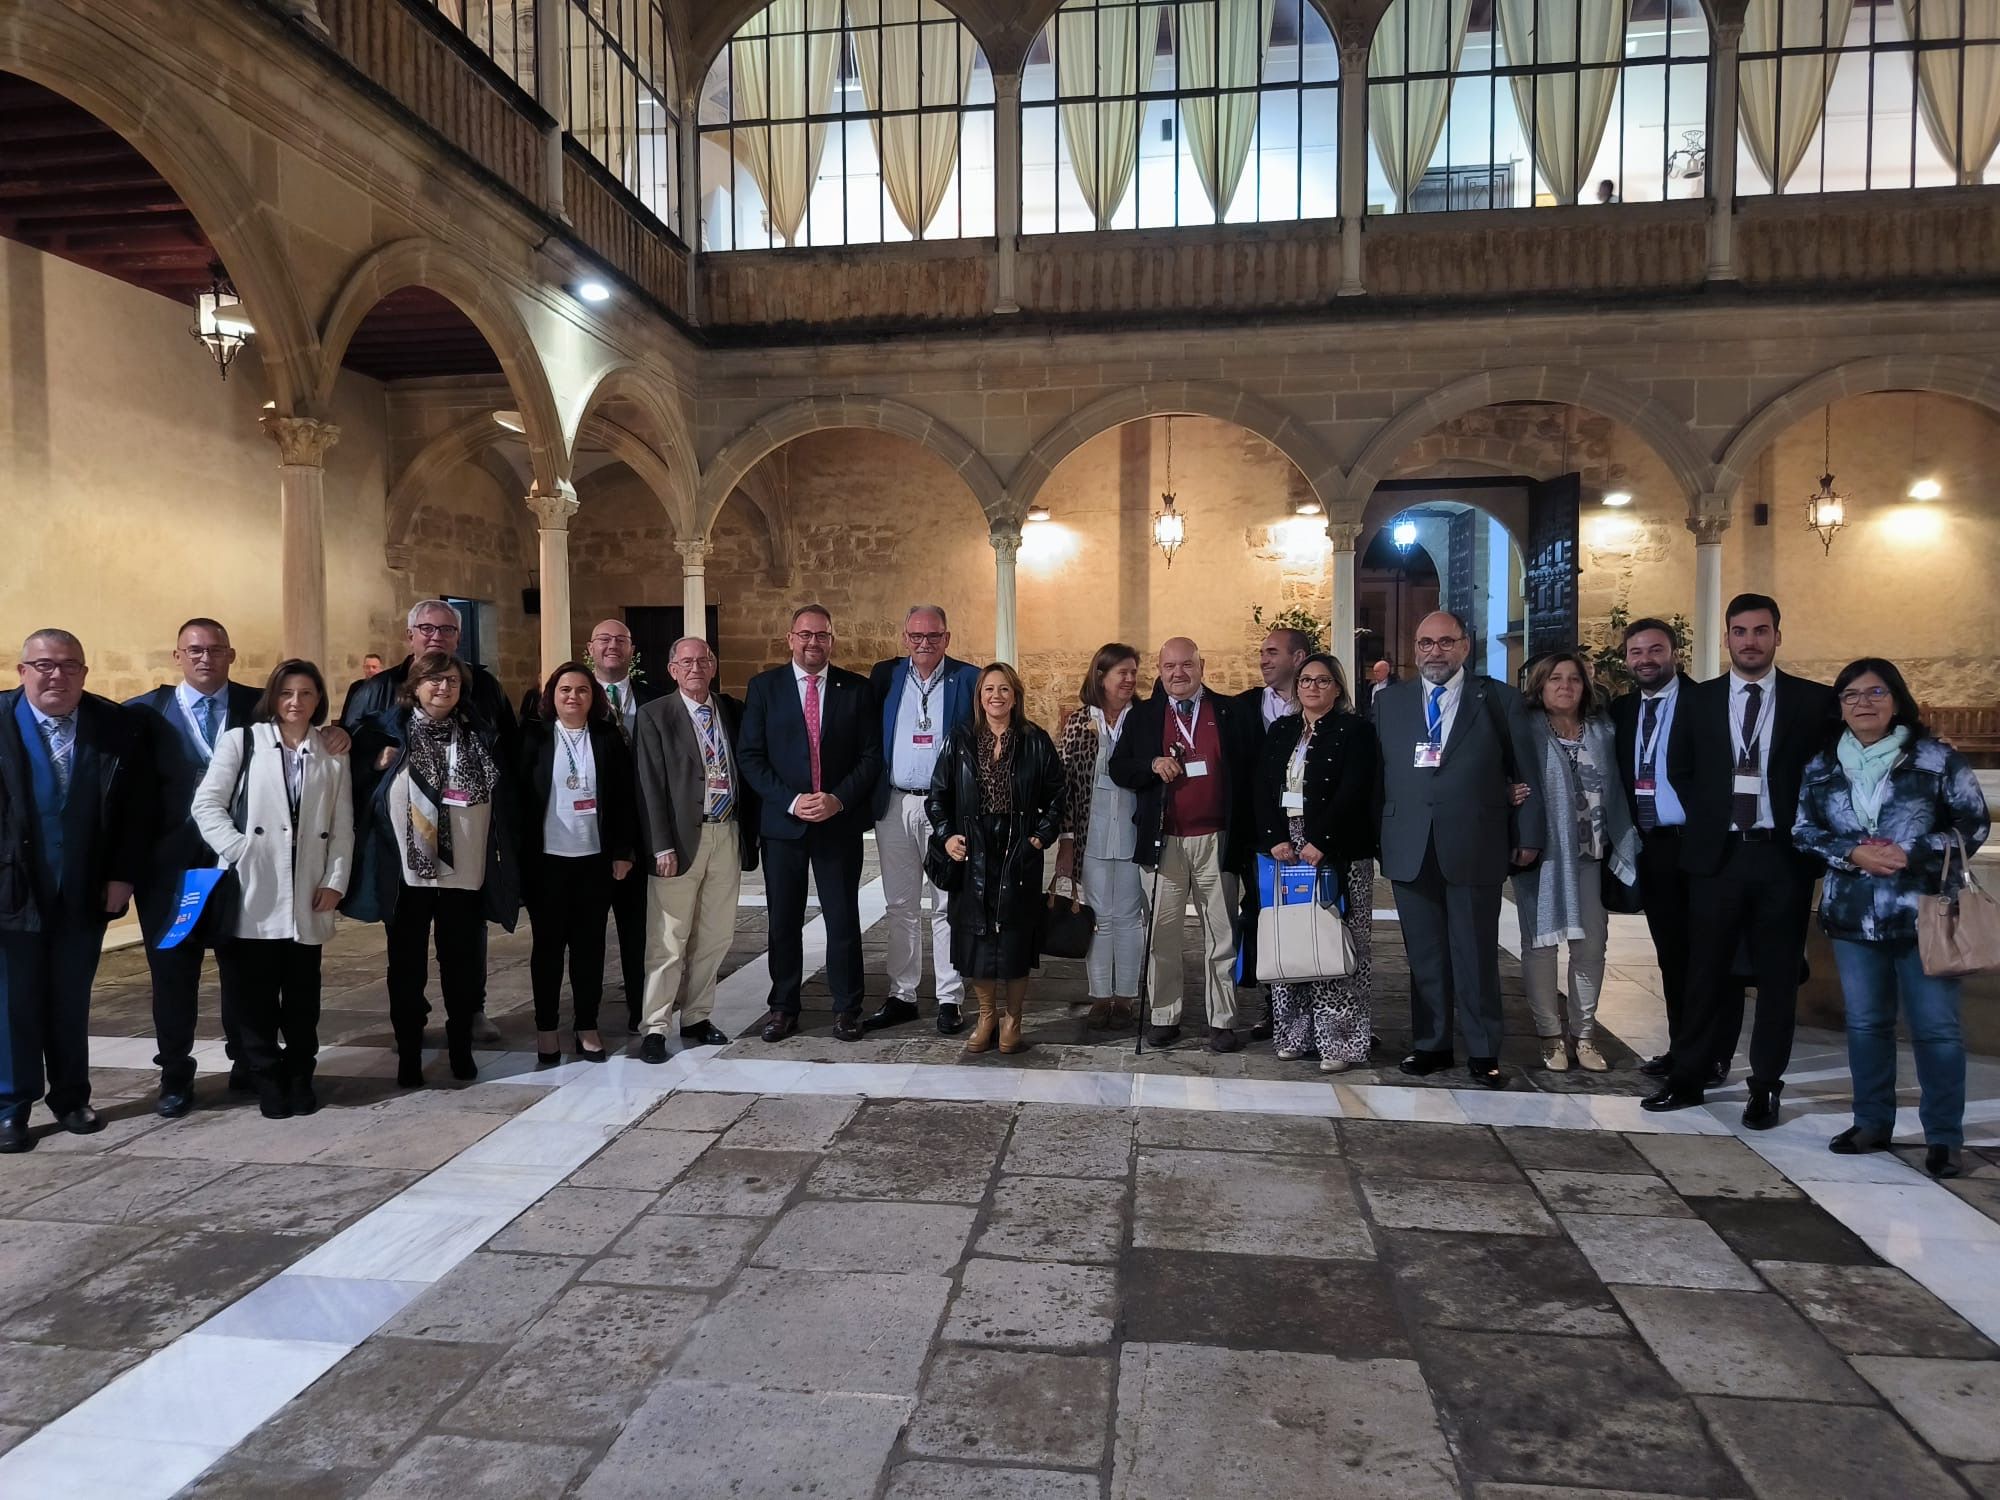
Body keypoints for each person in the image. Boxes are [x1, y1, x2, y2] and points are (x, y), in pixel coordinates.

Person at [1643, 593, 1836, 1128]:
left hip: (1781, 857)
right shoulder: (1698, 701)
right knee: (1705, 973)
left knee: (1776, 979)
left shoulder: (1810, 702)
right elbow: (1679, 769)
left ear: (1778, 636)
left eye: (1761, 631)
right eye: (1740, 631)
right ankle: (1688, 1077)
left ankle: (1765, 1086)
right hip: (1718, 857)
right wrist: (1712, 818)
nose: (1750, 641)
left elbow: (1823, 776)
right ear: (1726, 638)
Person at [1792, 659, 1988, 1179]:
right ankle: (1872, 1121)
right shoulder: (1822, 766)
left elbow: (1973, 823)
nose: (1863, 702)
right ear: (1840, 706)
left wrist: (1913, 851)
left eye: (1875, 692)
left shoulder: (1935, 758)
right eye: (1851, 694)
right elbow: (1803, 830)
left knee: (1937, 1030)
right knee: (1866, 1025)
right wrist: (1852, 853)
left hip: (1925, 912)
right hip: (1855, 915)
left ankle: (1944, 1136)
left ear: (1896, 699)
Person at [1374, 610, 1544, 1088]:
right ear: (1414, 649)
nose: (1435, 652)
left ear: (1465, 647)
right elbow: (1379, 775)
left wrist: (1528, 834)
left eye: (1446, 642)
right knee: (1424, 955)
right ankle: (1431, 1044)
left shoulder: (1498, 700)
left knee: (1473, 953)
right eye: (1426, 643)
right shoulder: (1391, 703)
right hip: (1410, 843)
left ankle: (1484, 1050)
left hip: (1474, 841)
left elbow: (1524, 771)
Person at [342, 600, 518, 1048]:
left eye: (446, 629)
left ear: (458, 637)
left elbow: (507, 747)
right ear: (410, 635)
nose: (436, 636)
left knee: (466, 934)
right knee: (405, 941)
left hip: (464, 842)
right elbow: (349, 752)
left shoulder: (482, 685)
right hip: (403, 847)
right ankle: (411, 1019)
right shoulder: (376, 689)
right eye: (426, 628)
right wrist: (376, 763)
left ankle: (471, 1010)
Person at [0, 629, 149, 1151]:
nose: (55, 675)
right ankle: (11, 1106)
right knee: (12, 1001)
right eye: (43, 665)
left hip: (84, 888)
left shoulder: (115, 725)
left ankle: (71, 1097)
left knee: (70, 1000)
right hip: (12, 888)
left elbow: (134, 811)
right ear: (22, 671)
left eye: (68, 666)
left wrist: (122, 874)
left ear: (84, 672)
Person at [190, 660, 353, 1119]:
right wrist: (239, 849)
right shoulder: (244, 741)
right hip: (254, 886)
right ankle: (266, 1077)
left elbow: (343, 825)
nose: (295, 702)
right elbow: (206, 804)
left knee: (303, 998)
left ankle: (301, 1073)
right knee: (255, 996)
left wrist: (335, 881)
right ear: (273, 698)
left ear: (318, 698)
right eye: (286, 693)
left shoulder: (332, 750)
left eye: (305, 693)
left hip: (308, 890)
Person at [125, 620, 263, 1115]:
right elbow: (124, 796)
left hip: (240, 861)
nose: (205, 658)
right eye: (195, 650)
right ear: (178, 655)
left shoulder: (261, 705)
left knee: (244, 969)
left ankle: (247, 1060)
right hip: (169, 869)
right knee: (172, 975)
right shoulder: (143, 712)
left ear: (231, 654)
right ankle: (176, 1073)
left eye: (215, 650)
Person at [738, 605, 883, 1043]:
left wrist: (837, 799)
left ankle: (847, 1007)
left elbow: (871, 756)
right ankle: (783, 1007)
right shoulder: (765, 687)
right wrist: (793, 800)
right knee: (783, 920)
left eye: (821, 635)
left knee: (842, 917)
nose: (812, 643)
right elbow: (750, 756)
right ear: (790, 638)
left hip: (837, 822)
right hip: (785, 826)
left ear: (831, 640)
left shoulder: (855, 689)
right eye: (805, 635)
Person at [1109, 637, 1254, 1052]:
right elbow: (1120, 767)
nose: (1178, 673)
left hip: (1216, 839)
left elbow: (1246, 772)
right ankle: (1164, 1014)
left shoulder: (1229, 712)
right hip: (1164, 840)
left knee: (1221, 932)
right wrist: (1151, 765)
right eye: (1170, 666)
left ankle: (1222, 1019)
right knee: (1163, 934)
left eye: (1186, 665)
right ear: (1159, 668)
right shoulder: (1145, 716)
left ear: (1201, 665)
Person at [1512, 651, 1639, 1073]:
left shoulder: (1602, 730)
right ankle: (1549, 1035)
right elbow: (1503, 773)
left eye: (1574, 679)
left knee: (1591, 947)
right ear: (1540, 686)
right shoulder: (1526, 729)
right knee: (1542, 945)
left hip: (1591, 854)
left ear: (1585, 687)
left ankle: (1583, 1034)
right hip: (1544, 856)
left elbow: (1618, 785)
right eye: (1555, 679)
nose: (1565, 686)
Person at [634, 636, 758, 1062]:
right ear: (672, 670)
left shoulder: (731, 710)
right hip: (680, 839)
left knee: (716, 934)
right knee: (668, 938)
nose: (694, 668)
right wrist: (660, 844)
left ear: (714, 665)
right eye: (685, 662)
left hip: (726, 831)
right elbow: (649, 784)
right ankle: (654, 1024)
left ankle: (698, 1016)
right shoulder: (655, 715)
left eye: (702, 661)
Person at [929, 663, 1064, 1055]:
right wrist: (947, 835)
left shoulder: (1035, 740)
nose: (996, 696)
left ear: (1015, 695)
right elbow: (938, 797)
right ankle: (986, 1015)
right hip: (973, 851)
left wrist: (1039, 838)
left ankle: (1013, 1020)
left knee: (1016, 937)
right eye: (989, 690)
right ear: (979, 697)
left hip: (1018, 849)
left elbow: (1057, 794)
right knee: (977, 936)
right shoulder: (959, 741)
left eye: (1004, 689)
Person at [1254, 653, 1380, 1072]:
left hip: (1336, 849)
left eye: (1322, 681)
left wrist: (1321, 841)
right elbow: (1263, 787)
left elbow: (1355, 790)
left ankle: (1340, 1043)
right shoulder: (1281, 730)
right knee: (1290, 940)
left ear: (1338, 688)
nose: (1311, 687)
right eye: (1305, 680)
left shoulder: (1355, 731)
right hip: (1284, 850)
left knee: (1335, 943)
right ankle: (1293, 1034)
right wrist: (1274, 838)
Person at [1609, 617, 1717, 1080]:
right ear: (1627, 659)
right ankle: (1681, 1048)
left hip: (1697, 845)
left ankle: (1710, 1054)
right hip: (1652, 848)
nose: (1646, 660)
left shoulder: (1706, 703)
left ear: (1674, 654)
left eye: (1655, 650)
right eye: (1637, 652)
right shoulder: (1623, 710)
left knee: (1707, 957)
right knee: (1671, 955)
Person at [864, 605, 980, 1035]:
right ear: (905, 637)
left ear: (947, 638)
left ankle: (950, 997)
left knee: (947, 904)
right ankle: (902, 994)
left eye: (932, 636)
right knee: (900, 905)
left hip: (945, 808)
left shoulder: (967, 678)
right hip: (895, 803)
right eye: (916, 636)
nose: (923, 644)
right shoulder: (887, 675)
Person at [519, 663, 637, 1066]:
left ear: (594, 697)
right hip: (547, 861)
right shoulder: (533, 737)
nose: (573, 697)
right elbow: (517, 799)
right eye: (565, 689)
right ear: (551, 695)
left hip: (594, 860)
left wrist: (623, 852)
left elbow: (624, 799)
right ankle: (546, 1028)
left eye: (582, 690)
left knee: (589, 947)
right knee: (548, 948)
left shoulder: (607, 737)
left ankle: (587, 1024)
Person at [1056, 644, 1145, 1030]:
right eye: (1120, 672)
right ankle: (1100, 995)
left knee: (1128, 916)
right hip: (1090, 834)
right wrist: (1067, 838)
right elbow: (1064, 784)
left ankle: (1125, 997)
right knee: (1098, 916)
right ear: (1101, 677)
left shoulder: (1144, 720)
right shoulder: (1078, 722)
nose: (1128, 679)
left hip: (1132, 830)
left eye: (1132, 672)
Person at [585, 618, 665, 1031]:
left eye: (620, 639)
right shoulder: (575, 695)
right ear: (590, 648)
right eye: (604, 639)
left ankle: (642, 1009)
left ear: (632, 649)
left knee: (640, 931)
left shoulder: (657, 697)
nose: (612, 646)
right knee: (588, 932)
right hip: (588, 834)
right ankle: (587, 1014)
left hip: (643, 830)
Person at [1232, 627, 1311, 1021]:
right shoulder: (1242, 707)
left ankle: (1315, 1002)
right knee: (1265, 916)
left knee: (1310, 918)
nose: (1263, 659)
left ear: (1298, 659)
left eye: (1272, 652)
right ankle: (1274, 1005)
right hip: (1258, 838)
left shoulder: (1317, 706)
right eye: (1261, 652)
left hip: (1311, 839)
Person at [1361, 658, 1397, 722]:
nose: (1375, 673)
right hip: (1373, 719)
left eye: (1378, 671)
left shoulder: (1394, 686)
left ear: (1386, 671)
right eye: (1374, 671)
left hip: (1388, 718)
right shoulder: (1372, 687)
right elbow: (1367, 703)